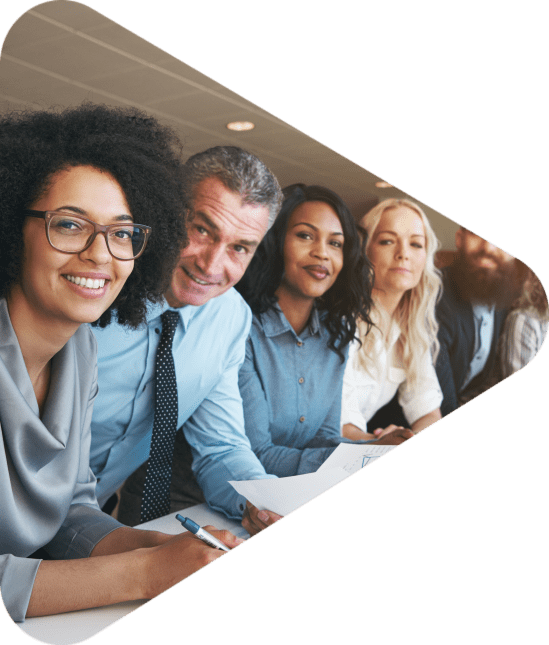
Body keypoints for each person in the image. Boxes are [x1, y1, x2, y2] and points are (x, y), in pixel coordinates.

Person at [0, 105, 243, 623]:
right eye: (69, 225)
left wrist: (148, 546)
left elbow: (66, 510)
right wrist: (143, 574)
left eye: (122, 233)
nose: (100, 254)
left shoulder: (79, 347)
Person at [90, 146, 286, 535]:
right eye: (201, 230)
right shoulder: (94, 284)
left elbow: (222, 447)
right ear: (167, 212)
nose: (211, 265)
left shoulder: (229, 318)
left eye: (239, 248)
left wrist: (261, 503)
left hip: (83, 520)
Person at [235, 185, 412, 477]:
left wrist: (375, 447)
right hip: (215, 503)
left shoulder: (336, 332)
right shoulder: (243, 330)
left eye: (336, 243)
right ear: (276, 241)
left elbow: (322, 438)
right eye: (305, 236)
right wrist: (363, 456)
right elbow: (256, 454)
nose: (322, 253)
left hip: (289, 494)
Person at [341, 199, 443, 441]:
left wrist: (406, 437)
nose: (403, 254)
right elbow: (340, 424)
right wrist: (382, 443)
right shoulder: (342, 319)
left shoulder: (411, 328)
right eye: (387, 241)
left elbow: (429, 413)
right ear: (366, 250)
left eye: (416, 244)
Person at [435, 226, 518, 415]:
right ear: (459, 239)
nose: (488, 247)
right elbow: (441, 404)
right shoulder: (434, 296)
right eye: (476, 233)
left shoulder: (502, 294)